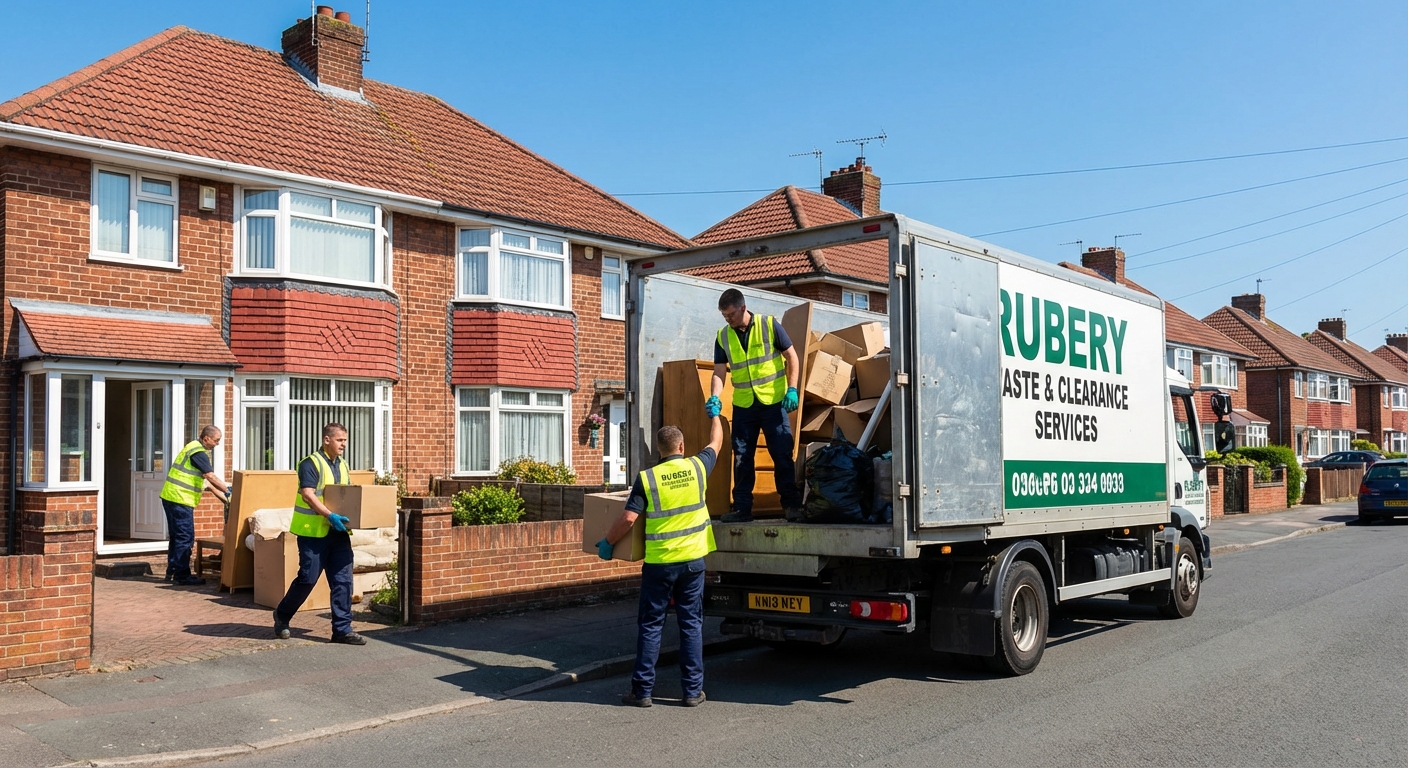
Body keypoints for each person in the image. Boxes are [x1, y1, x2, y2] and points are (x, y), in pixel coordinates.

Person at [597, 413, 723, 708]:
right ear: (682, 447)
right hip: (693, 562)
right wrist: (716, 414)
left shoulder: (647, 478)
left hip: (660, 565)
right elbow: (716, 441)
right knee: (691, 624)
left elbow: (629, 518)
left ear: (659, 450)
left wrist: (608, 543)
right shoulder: (697, 467)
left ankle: (642, 692)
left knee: (651, 626)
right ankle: (692, 692)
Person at [710, 288, 803, 523]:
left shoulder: (769, 324)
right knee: (742, 457)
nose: (728, 319)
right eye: (724, 316)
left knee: (781, 454)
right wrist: (715, 396)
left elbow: (792, 356)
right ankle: (742, 508)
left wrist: (792, 389)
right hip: (744, 406)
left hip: (773, 402)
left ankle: (791, 506)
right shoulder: (723, 336)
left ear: (743, 308)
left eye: (731, 314)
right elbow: (719, 371)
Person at [273, 422, 365, 645]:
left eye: (345, 440)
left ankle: (342, 630)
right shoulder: (310, 463)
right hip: (313, 533)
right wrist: (329, 515)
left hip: (338, 534)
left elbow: (345, 496)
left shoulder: (342, 465)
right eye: (340, 440)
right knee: (308, 578)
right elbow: (307, 494)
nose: (344, 444)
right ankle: (282, 615)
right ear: (327, 440)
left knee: (343, 581)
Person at [158, 426, 230, 585]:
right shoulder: (198, 452)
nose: (217, 444)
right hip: (180, 499)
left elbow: (207, 484)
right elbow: (209, 475)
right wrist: (227, 490)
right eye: (216, 440)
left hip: (171, 497)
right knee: (185, 538)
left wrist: (221, 492)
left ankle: (173, 570)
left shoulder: (192, 447)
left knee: (177, 537)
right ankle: (182, 576)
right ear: (206, 438)